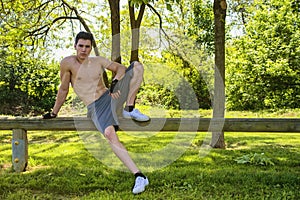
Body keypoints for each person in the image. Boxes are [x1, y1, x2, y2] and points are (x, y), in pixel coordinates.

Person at [43, 31, 149, 194]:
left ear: (91, 48)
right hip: (95, 106)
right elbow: (64, 89)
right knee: (109, 134)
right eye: (81, 46)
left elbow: (120, 68)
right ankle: (139, 176)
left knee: (136, 66)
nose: (84, 50)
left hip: (111, 96)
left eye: (87, 46)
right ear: (75, 46)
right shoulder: (68, 63)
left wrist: (115, 82)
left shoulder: (97, 61)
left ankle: (129, 109)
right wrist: (54, 112)